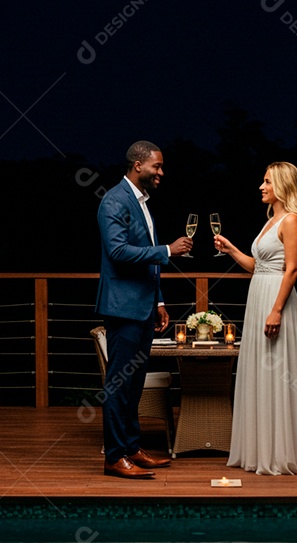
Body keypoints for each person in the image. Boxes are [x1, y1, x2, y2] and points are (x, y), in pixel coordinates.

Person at [96, 140, 193, 479]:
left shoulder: (141, 203)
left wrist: (160, 301)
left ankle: (132, 448)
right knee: (119, 385)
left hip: (143, 306)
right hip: (123, 309)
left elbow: (146, 260)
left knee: (134, 385)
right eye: (157, 166)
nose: (161, 172)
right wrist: (168, 248)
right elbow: (119, 252)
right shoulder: (114, 200)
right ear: (138, 166)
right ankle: (114, 457)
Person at [214, 161, 297, 475]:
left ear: (283, 185)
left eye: (268, 181)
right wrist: (231, 250)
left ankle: (281, 454)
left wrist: (276, 309)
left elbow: (292, 269)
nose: (262, 186)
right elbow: (257, 266)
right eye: (263, 181)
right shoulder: (270, 220)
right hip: (259, 295)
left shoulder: (292, 220)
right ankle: (260, 451)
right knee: (260, 372)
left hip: (277, 302)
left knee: (278, 373)